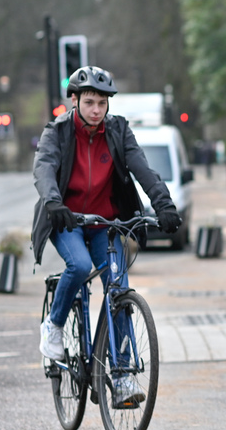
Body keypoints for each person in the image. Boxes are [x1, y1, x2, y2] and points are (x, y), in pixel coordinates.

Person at [32, 65, 183, 409]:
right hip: (66, 220)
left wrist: (164, 205)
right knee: (80, 266)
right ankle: (54, 326)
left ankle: (122, 373)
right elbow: (43, 167)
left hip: (105, 222)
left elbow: (142, 168)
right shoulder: (56, 132)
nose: (96, 110)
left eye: (102, 102)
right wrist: (54, 202)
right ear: (75, 101)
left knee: (118, 287)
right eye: (89, 102)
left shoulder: (118, 131)